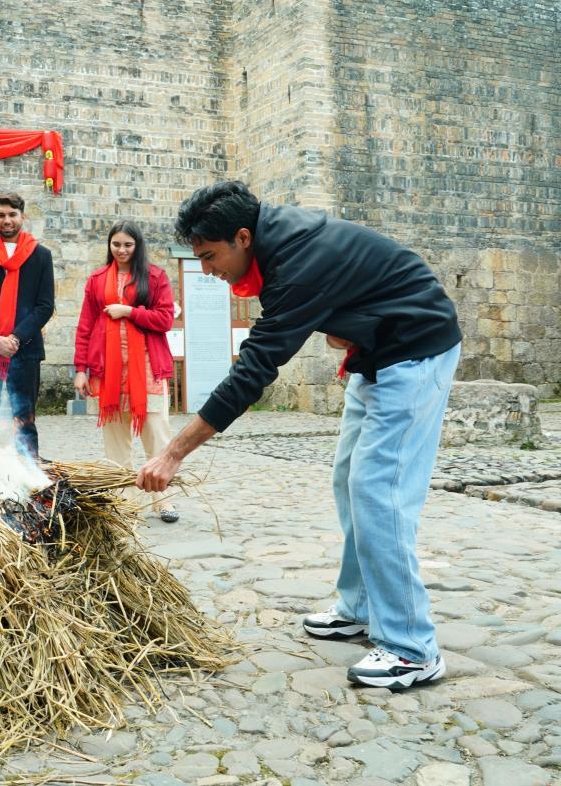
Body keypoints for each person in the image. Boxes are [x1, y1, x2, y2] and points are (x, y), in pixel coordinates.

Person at [137, 181, 462, 690]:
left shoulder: (295, 262)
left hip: (414, 352)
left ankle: (412, 647)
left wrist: (173, 453)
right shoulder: (278, 245)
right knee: (348, 480)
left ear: (243, 237)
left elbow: (253, 371)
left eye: (210, 256)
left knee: (379, 490)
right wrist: (354, 320)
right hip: (376, 351)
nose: (208, 270)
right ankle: (360, 606)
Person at [73, 220, 179, 523]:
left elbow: (165, 319)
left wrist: (130, 311)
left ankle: (164, 500)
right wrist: (80, 369)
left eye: (128, 245)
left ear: (137, 246)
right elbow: (85, 326)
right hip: (108, 371)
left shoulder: (155, 277)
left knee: (156, 435)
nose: (121, 250)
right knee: (116, 440)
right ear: (110, 245)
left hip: (147, 369)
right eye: (116, 244)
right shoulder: (96, 280)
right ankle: (124, 502)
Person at [0, 192, 55, 459]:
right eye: (1, 215)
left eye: (12, 215)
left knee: (24, 418)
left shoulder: (41, 256)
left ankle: (27, 471)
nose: (7, 220)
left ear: (22, 217)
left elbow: (45, 306)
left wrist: (15, 338)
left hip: (25, 349)